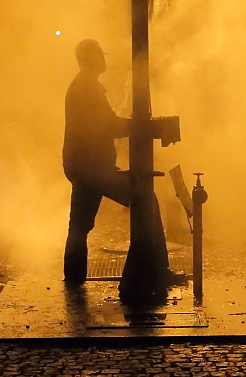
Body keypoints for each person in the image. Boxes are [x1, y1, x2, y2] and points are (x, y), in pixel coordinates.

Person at [62, 39, 168, 283]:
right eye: (101, 53)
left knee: (79, 227)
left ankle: (73, 280)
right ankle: (155, 269)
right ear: (93, 59)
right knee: (145, 198)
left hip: (85, 167)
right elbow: (106, 124)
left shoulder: (83, 85)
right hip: (93, 169)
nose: (104, 58)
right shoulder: (87, 88)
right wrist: (140, 126)